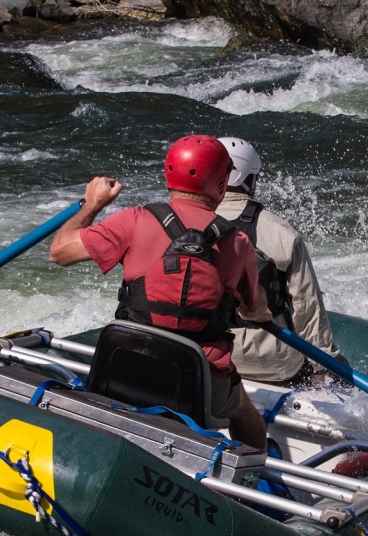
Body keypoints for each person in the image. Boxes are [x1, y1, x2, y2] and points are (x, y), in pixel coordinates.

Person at [48, 135, 274, 450]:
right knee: (244, 412)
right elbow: (255, 309)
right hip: (199, 383)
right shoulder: (238, 243)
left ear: (168, 175)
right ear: (222, 185)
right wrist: (258, 310)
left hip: (125, 365)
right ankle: (253, 477)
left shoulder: (134, 219)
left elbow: (59, 252)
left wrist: (93, 204)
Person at [212, 136, 342, 385]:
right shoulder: (280, 232)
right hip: (266, 361)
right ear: (248, 179)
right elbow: (306, 308)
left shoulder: (179, 225)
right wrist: (327, 365)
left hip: (198, 351)